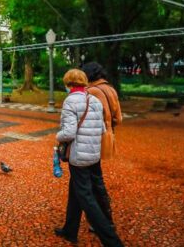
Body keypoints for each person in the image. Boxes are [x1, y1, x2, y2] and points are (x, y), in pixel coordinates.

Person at [55, 69, 123, 247]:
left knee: (86, 197)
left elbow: (68, 133)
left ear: (68, 83)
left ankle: (112, 242)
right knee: (76, 190)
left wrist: (58, 136)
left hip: (78, 156)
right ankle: (70, 230)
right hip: (93, 155)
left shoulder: (70, 101)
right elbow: (101, 129)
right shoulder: (94, 100)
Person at [82, 62, 122, 233]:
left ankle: (104, 221)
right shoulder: (111, 89)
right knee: (93, 178)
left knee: (94, 180)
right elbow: (118, 118)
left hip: (93, 139)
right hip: (108, 136)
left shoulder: (92, 92)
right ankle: (100, 219)